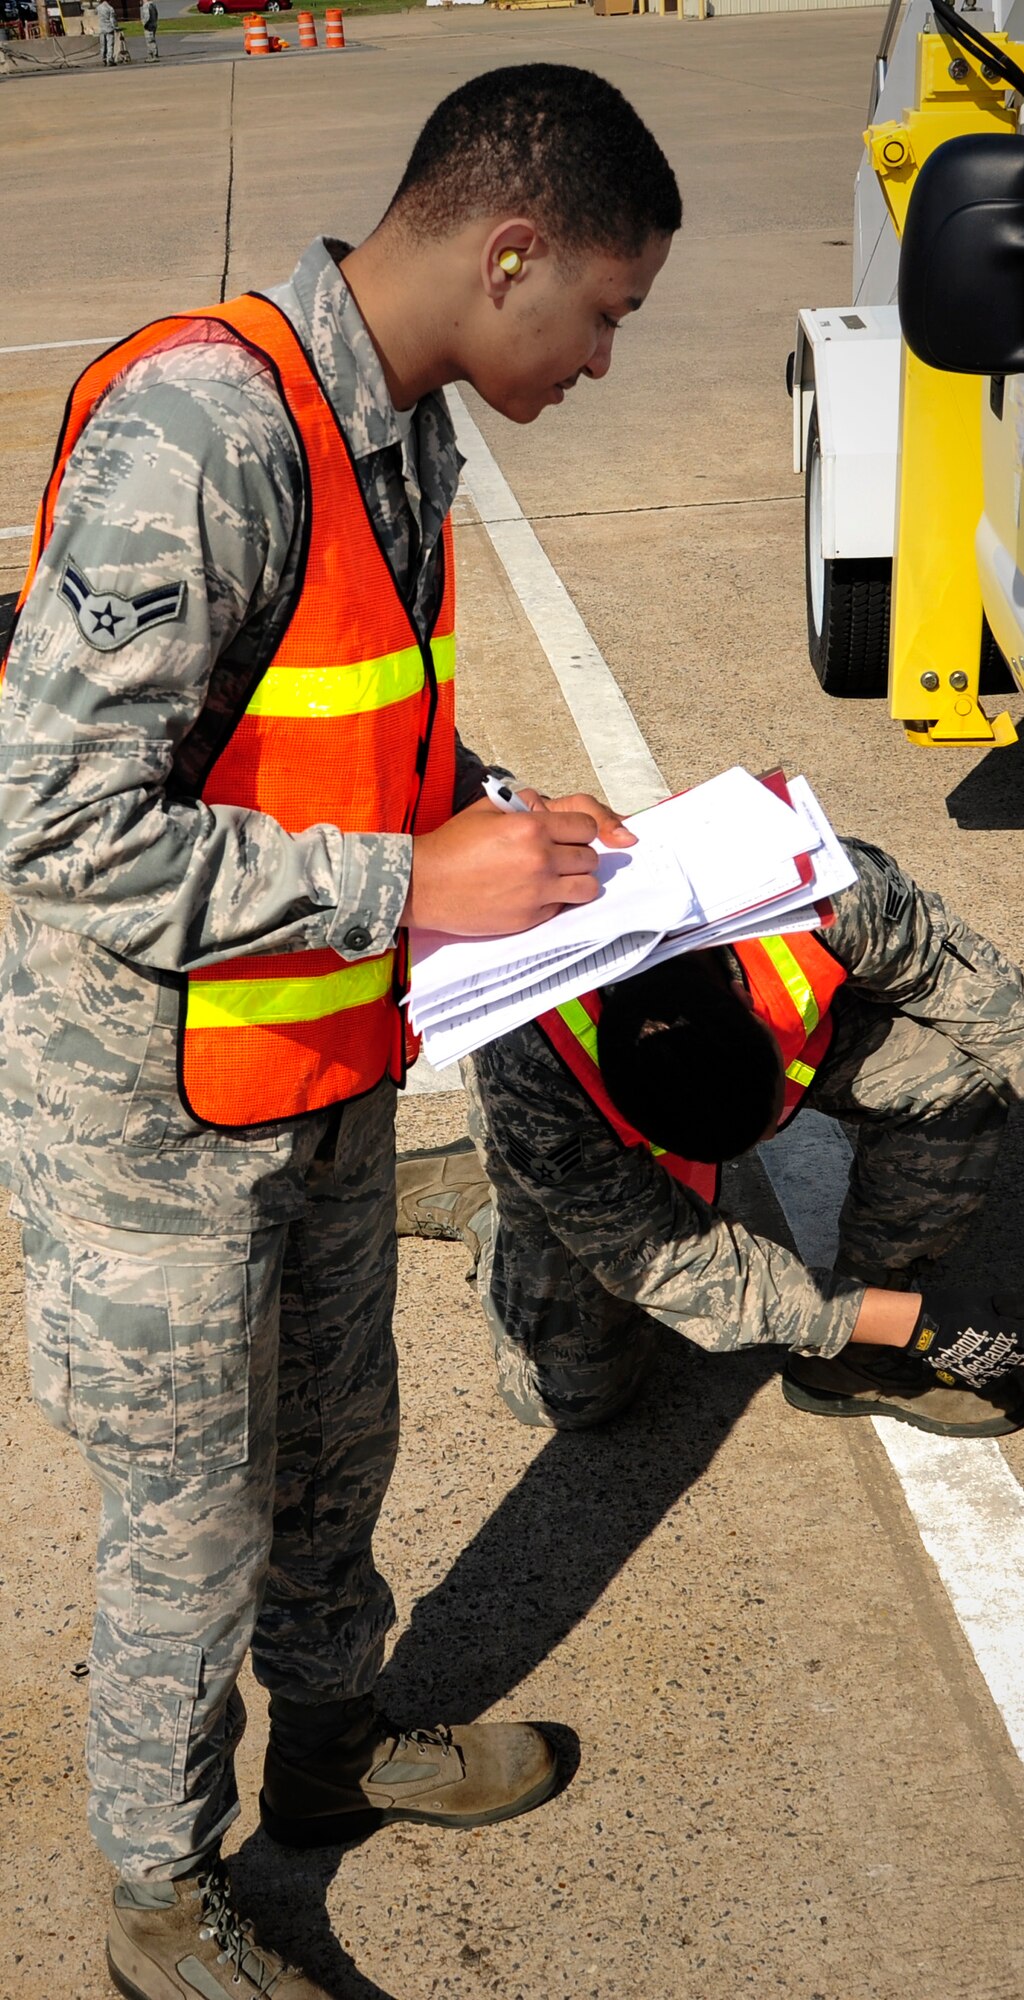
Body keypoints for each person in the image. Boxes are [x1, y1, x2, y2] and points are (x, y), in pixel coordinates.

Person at [0, 64, 678, 2000]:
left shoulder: (404, 424)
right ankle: (159, 1893)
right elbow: (49, 821)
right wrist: (412, 888)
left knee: (337, 1454)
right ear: (511, 249)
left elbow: (338, 716)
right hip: (151, 1112)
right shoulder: (205, 425)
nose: (608, 357)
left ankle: (333, 1745)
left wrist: (508, 820)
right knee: (189, 1521)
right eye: (608, 311)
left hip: (314, 1061)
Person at [403, 838, 1024, 1438]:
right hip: (569, 1155)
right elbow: (671, 1261)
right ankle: (503, 1198)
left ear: (756, 1020)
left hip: (734, 1033)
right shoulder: (530, 1068)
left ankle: (855, 1362)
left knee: (958, 1077)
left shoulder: (813, 888)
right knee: (568, 1396)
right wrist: (921, 1324)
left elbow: (951, 977)